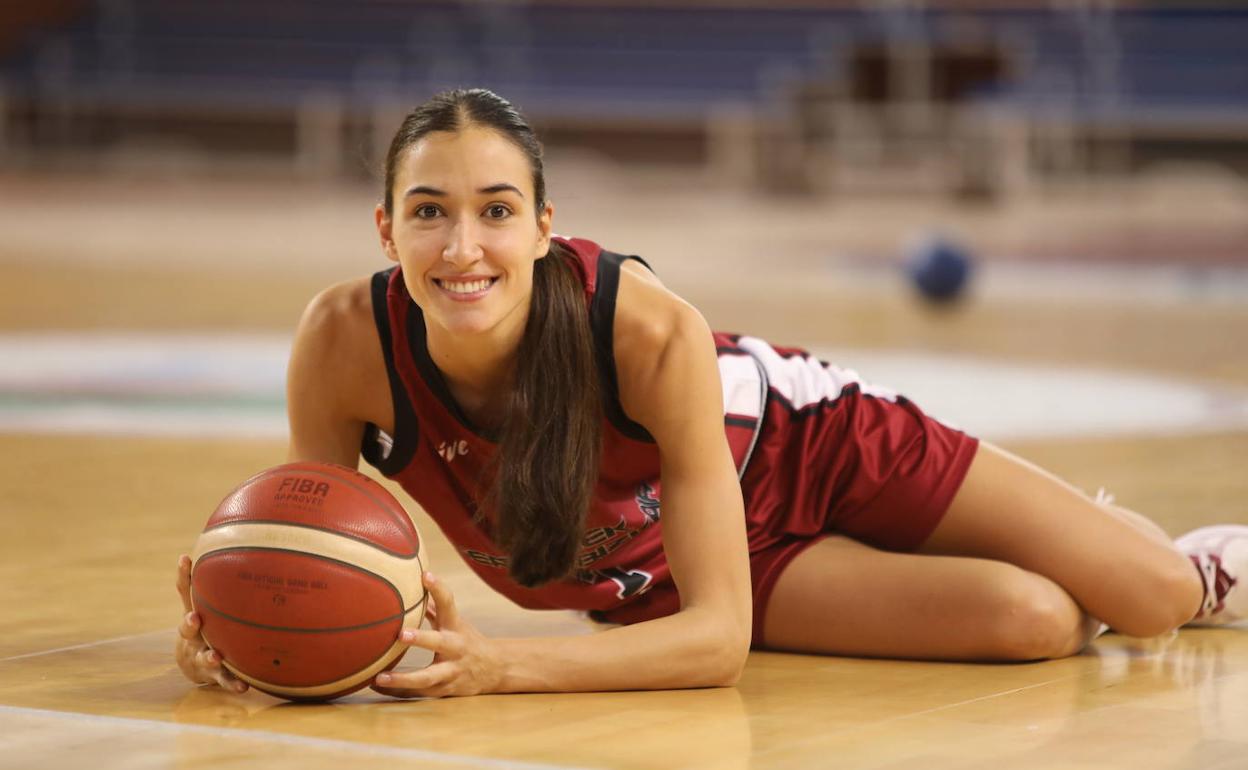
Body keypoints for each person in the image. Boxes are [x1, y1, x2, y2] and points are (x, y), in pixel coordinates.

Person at [174, 88, 1246, 699]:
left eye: (497, 210)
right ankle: (1064, 554)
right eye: (429, 212)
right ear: (385, 228)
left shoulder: (642, 327)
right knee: (1035, 618)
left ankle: (1138, 542)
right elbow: (310, 559)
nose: (464, 247)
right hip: (687, 570)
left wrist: (503, 666)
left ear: (546, 227)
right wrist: (245, 638)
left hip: (813, 443)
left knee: (1151, 596)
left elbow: (720, 649)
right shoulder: (342, 343)